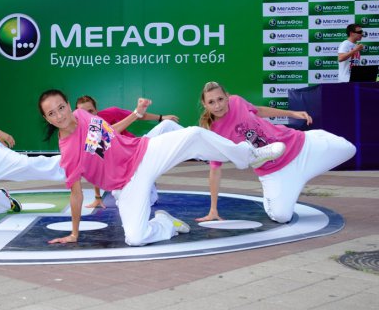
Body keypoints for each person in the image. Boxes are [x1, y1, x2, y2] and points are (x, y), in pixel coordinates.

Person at [38, 89, 286, 247]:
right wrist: (74, 233)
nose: (59, 115)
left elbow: (108, 134)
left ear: (68, 104)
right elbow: (76, 193)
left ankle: (250, 154)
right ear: (46, 119)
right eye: (51, 113)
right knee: (135, 238)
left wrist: (136, 115)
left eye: (61, 108)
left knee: (194, 134)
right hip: (125, 186)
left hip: (143, 154)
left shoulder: (83, 116)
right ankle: (166, 223)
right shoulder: (68, 151)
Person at [196, 81, 356, 224]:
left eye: (220, 99)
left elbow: (259, 110)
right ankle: (284, 189)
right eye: (211, 102)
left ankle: (313, 142)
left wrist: (292, 113)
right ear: (204, 104)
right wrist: (213, 209)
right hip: (273, 171)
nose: (217, 106)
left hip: (297, 145)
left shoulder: (237, 101)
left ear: (227, 97)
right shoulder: (213, 132)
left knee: (349, 149)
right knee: (281, 216)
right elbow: (215, 170)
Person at [75, 95, 184, 208]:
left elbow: (139, 115)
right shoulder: (83, 134)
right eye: (83, 112)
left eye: (90, 111)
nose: (87, 115)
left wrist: (161, 117)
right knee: (139, 200)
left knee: (167, 125)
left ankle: (197, 141)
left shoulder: (110, 113)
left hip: (140, 149)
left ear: (96, 110)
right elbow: (97, 166)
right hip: (124, 169)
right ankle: (146, 182)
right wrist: (98, 197)